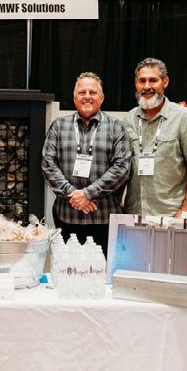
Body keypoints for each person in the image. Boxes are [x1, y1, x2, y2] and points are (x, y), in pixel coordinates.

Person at [41, 72, 131, 255]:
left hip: (104, 219)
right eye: (82, 92)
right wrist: (73, 195)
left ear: (102, 98)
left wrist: (88, 194)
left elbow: (122, 167)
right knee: (67, 268)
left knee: (102, 269)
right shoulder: (58, 126)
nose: (87, 96)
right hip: (67, 216)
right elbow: (48, 164)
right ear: (74, 97)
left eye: (93, 92)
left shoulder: (116, 127)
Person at [122, 57, 187, 217]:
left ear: (165, 82)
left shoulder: (182, 117)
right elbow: (121, 167)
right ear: (136, 84)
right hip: (133, 213)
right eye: (142, 81)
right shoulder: (128, 120)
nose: (147, 86)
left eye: (153, 80)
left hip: (169, 215)